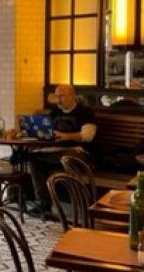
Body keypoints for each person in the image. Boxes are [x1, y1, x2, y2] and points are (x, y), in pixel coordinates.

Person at [27, 84, 97, 215]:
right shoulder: (55, 112)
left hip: (80, 151)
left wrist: (65, 136)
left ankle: (81, 206)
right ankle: (44, 204)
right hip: (56, 151)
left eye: (62, 96)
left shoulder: (85, 112)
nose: (58, 100)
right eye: (57, 96)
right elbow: (48, 133)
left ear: (73, 96)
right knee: (33, 158)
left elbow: (88, 136)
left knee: (66, 158)